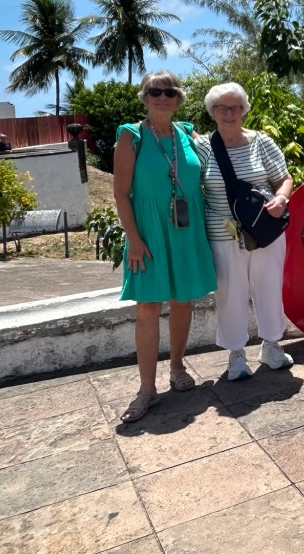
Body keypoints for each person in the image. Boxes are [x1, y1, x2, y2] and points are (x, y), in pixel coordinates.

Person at [114, 72, 217, 423]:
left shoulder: (187, 134)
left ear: (178, 98)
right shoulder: (131, 136)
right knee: (147, 308)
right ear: (145, 97)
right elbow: (120, 193)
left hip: (185, 229)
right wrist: (134, 239)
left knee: (183, 301)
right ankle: (146, 390)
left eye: (169, 92)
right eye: (155, 91)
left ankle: (176, 369)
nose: (162, 97)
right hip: (149, 231)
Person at [195, 82, 295, 380]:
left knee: (269, 287)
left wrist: (282, 198)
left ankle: (272, 345)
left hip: (264, 228)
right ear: (212, 111)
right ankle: (236, 355)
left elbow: (283, 178)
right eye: (223, 108)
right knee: (229, 294)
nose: (230, 113)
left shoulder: (261, 141)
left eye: (236, 107)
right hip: (223, 234)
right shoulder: (202, 148)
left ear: (244, 110)